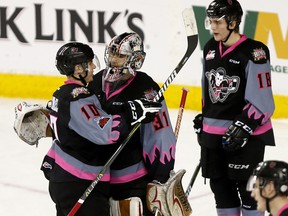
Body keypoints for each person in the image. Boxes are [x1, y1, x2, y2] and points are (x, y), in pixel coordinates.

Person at [39, 41, 162, 215]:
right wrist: (133, 112)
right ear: (79, 69)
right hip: (80, 181)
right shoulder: (78, 98)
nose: (95, 66)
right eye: (90, 63)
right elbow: (107, 131)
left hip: (64, 177)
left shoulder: (60, 94)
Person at [193, 0, 275, 215]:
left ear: (233, 22)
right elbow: (208, 89)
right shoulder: (210, 48)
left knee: (249, 192)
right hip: (214, 136)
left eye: (218, 22)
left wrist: (245, 124)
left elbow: (263, 100)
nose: (213, 27)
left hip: (245, 136)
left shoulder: (255, 51)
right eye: (210, 21)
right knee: (221, 190)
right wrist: (206, 118)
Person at [87, 32, 178, 216]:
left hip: (131, 182)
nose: (113, 59)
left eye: (120, 56)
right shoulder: (95, 82)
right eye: (112, 53)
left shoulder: (146, 88)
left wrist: (160, 177)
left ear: (135, 60)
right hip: (97, 180)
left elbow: (160, 136)